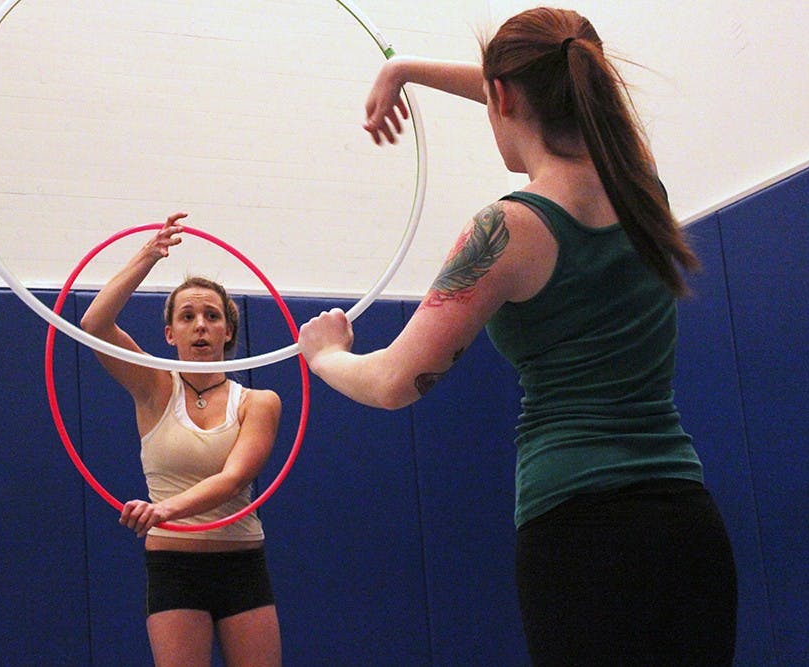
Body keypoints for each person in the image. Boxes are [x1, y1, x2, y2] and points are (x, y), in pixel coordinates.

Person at [298, 7, 737, 665]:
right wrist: (405, 69)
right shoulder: (643, 183)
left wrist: (326, 353)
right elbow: (547, 89)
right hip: (687, 525)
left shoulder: (509, 230)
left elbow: (393, 380)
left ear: (500, 95)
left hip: (579, 538)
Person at [81, 211, 283, 667]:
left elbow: (233, 479)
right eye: (187, 316)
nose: (200, 325)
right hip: (175, 568)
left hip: (242, 565)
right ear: (170, 333)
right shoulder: (154, 386)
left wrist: (164, 511)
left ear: (228, 330)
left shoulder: (259, 401)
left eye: (212, 316)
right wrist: (148, 255)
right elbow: (93, 325)